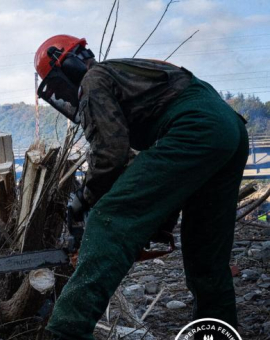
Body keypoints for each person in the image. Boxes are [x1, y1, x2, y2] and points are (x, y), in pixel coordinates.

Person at [34, 35, 248, 339]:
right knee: (207, 254)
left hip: (196, 127)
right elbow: (150, 172)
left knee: (111, 217)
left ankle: (66, 331)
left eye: (58, 86)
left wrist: (85, 198)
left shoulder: (94, 80)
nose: (65, 96)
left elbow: (110, 153)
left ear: (68, 64)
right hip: (229, 130)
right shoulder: (123, 76)